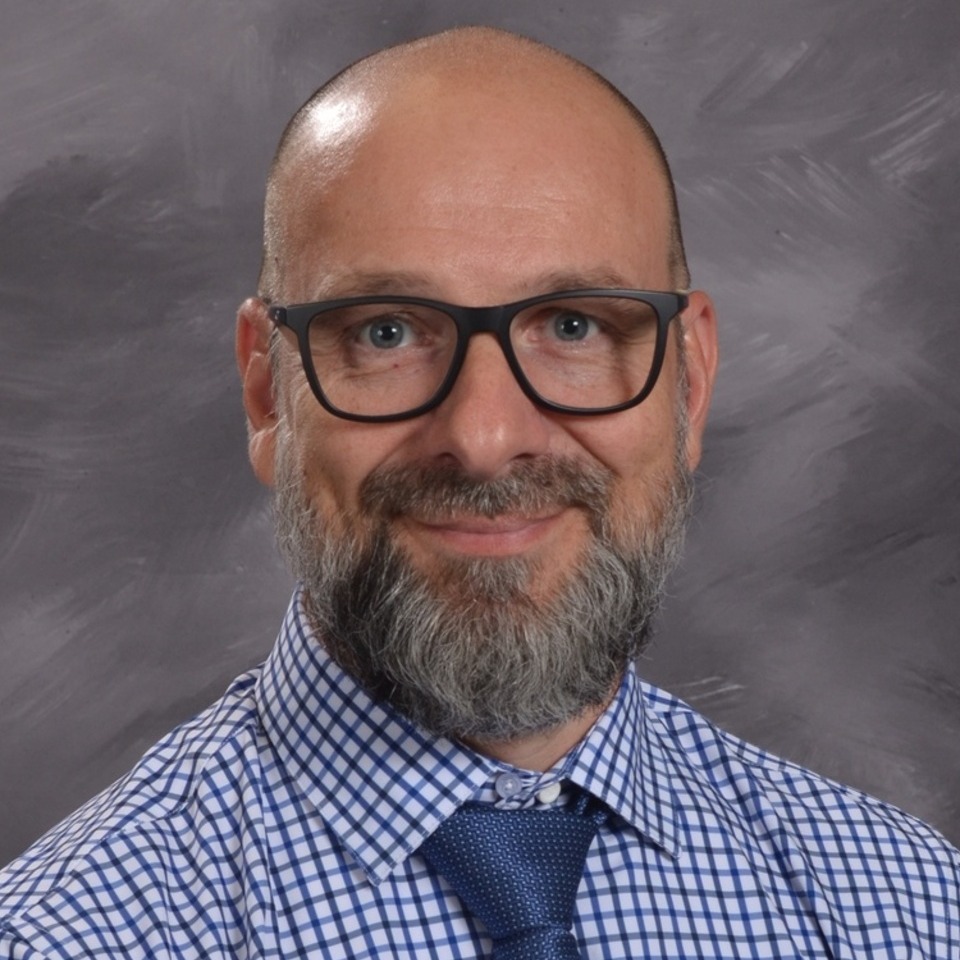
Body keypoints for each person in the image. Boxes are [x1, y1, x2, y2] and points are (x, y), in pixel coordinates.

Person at [1, 25, 957, 959]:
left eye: (575, 325)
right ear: (267, 393)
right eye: (385, 332)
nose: (486, 438)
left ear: (691, 384)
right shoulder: (70, 935)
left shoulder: (904, 910)